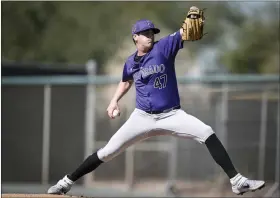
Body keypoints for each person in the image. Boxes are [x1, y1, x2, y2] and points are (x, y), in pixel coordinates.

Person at [47, 19, 265, 196]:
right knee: (107, 152)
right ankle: (65, 183)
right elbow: (126, 81)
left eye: (152, 32)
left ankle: (237, 181)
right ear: (135, 37)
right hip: (142, 117)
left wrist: (190, 23)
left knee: (206, 132)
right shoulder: (130, 62)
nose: (150, 35)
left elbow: (183, 33)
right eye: (145, 32)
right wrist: (114, 101)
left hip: (172, 114)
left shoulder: (163, 47)